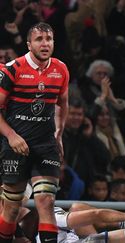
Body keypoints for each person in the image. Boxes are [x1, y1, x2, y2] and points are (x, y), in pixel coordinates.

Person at [0, 22, 69, 242]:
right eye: (39, 39)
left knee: (46, 202)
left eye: (48, 39)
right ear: (29, 44)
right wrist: (11, 136)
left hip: (45, 145)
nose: (45, 43)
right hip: (15, 145)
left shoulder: (61, 69)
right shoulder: (13, 69)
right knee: (11, 208)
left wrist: (59, 134)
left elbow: (62, 104)